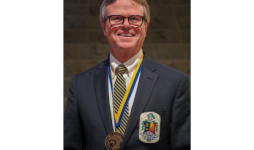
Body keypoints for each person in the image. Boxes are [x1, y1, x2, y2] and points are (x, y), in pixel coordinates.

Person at [63, 0, 191, 149]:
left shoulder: (175, 83)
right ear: (104, 27)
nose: (125, 25)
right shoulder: (81, 85)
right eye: (116, 18)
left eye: (135, 19)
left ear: (146, 27)